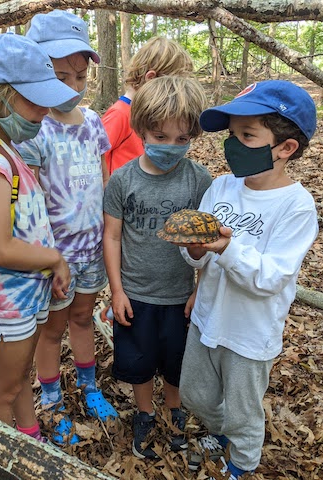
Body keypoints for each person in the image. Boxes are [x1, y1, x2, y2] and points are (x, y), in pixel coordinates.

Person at [177, 80, 319, 479]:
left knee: (243, 409)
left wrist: (226, 246)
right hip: (207, 318)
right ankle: (221, 433)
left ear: (285, 148)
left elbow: (271, 278)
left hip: (249, 333)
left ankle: (242, 461)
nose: (233, 145)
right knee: (195, 393)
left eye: (247, 135)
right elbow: (194, 254)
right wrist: (197, 251)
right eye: (232, 134)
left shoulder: (295, 206)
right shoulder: (222, 186)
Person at [0, 33, 75, 444]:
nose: (44, 110)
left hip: (23, 295)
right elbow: (1, 247)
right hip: (5, 303)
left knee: (19, 376)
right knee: (2, 393)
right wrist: (55, 259)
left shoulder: (8, 151)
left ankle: (29, 436)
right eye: (33, 99)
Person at [17, 9, 118, 444]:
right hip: (54, 254)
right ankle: (53, 396)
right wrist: (46, 257)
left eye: (80, 77)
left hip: (92, 247)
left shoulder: (93, 122)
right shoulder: (35, 129)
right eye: (61, 75)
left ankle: (89, 385)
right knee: (52, 328)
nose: (72, 87)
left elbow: (103, 178)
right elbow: (31, 199)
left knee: (82, 317)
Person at [102, 75, 212, 460]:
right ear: (142, 129)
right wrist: (116, 290)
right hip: (137, 294)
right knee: (140, 361)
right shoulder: (122, 180)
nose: (171, 147)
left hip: (180, 295)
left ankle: (175, 411)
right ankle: (146, 414)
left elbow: (207, 241)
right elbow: (112, 237)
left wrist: (200, 289)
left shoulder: (199, 179)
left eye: (182, 139)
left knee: (177, 362)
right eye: (160, 136)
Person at [97, 37, 195, 325]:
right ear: (152, 79)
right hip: (125, 205)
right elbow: (98, 152)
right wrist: (108, 190)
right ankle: (117, 307)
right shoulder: (120, 113)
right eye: (173, 82)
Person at [101, 36, 194, 176]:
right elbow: (97, 158)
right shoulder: (120, 114)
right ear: (151, 78)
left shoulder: (154, 116)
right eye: (172, 88)